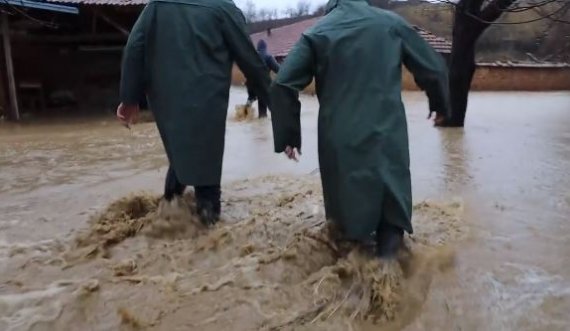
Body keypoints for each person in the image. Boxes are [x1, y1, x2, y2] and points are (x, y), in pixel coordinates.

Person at [270, 0, 450, 258]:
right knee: (391, 206)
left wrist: (288, 135)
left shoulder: (317, 33)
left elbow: (282, 85)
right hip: (388, 134)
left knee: (347, 218)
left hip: (339, 139)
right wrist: (440, 105)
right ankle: (390, 275)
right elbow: (434, 67)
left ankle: (351, 275)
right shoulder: (391, 24)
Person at [117, 0, 272, 225]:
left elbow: (134, 47)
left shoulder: (158, 6)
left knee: (180, 155)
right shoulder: (223, 8)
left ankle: (167, 215)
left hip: (167, 103)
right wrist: (280, 107)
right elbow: (251, 62)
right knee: (206, 168)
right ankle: (207, 238)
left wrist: (129, 99)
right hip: (207, 104)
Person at [246, 39, 280, 118]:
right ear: (265, 47)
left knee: (250, 101)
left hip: (251, 84)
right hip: (263, 84)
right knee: (266, 106)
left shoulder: (252, 56)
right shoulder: (268, 57)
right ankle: (275, 118)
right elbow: (278, 69)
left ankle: (243, 115)